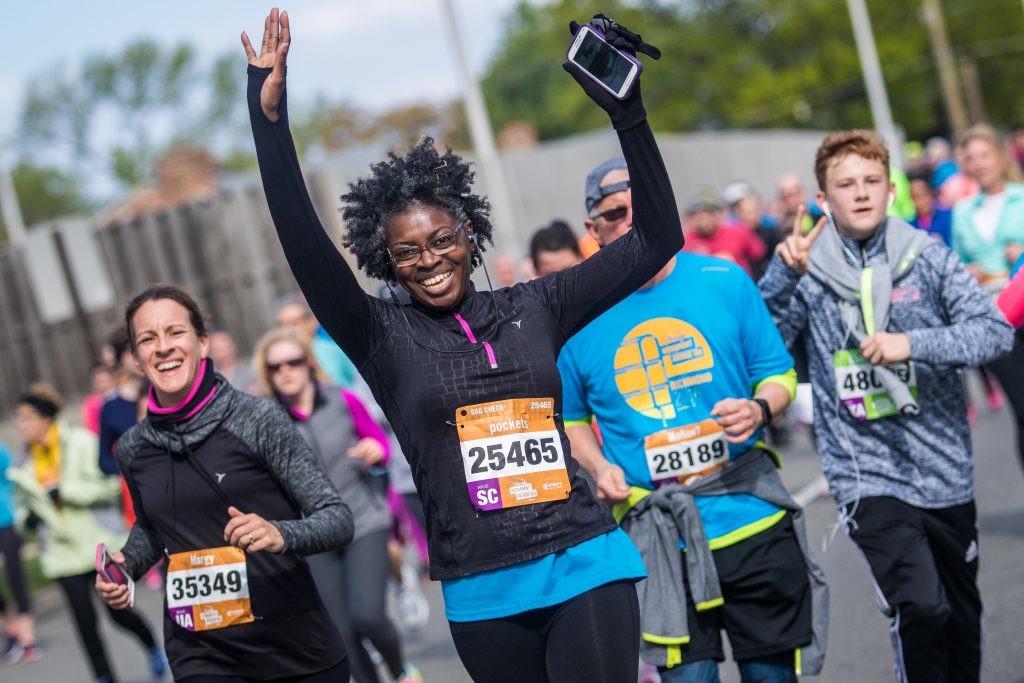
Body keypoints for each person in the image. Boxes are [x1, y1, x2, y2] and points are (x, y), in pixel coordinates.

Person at [244, 8, 675, 681]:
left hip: (583, 557)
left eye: (443, 239)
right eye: (407, 251)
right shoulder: (381, 335)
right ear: (387, 263)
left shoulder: (535, 304)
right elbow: (304, 245)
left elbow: (656, 239)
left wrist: (629, 116)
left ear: (470, 236)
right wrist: (269, 124)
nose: (429, 260)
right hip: (482, 587)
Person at [759, 129, 1014, 682]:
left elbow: (995, 332)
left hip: (945, 469)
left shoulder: (928, 257)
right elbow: (760, 349)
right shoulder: (806, 272)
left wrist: (912, 344)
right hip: (866, 474)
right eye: (846, 184)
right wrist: (781, 278)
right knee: (920, 604)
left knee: (959, 617)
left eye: (872, 180)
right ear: (823, 199)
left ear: (890, 188)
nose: (861, 192)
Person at [560, 158, 827, 682]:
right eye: (615, 213)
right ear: (593, 229)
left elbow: (778, 373)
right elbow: (570, 419)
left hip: (749, 516)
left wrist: (759, 408)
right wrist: (598, 466)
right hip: (658, 535)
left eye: (641, 208)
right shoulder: (577, 317)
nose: (631, 221)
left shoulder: (724, 280)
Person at [94, 284, 354, 682]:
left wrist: (279, 534)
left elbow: (336, 518)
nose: (163, 347)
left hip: (292, 644)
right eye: (148, 339)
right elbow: (152, 528)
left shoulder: (257, 419)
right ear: (136, 359)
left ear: (202, 342)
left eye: (175, 332)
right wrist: (127, 563)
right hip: (200, 653)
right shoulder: (133, 447)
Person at [253, 327, 420, 683]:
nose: (285, 371)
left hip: (363, 521)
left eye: (293, 362)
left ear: (309, 364)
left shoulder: (342, 400)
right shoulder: (268, 420)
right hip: (313, 536)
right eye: (275, 367)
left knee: (367, 616)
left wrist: (374, 451)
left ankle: (401, 671)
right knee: (341, 632)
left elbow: (380, 444)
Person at [8, 384, 163, 683]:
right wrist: (28, 519)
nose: (22, 425)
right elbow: (23, 506)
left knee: (119, 613)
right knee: (84, 622)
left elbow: (109, 486)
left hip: (97, 543)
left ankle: (151, 645)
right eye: (19, 419)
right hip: (61, 553)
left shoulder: (81, 443)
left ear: (45, 418)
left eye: (27, 418)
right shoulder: (22, 461)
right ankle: (103, 676)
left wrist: (66, 492)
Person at [952, 123, 1024, 473]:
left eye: (984, 155)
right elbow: (954, 265)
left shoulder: (1021, 196)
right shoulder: (963, 211)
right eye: (971, 158)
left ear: (1000, 155)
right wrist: (967, 270)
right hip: (996, 319)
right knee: (1023, 409)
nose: (979, 163)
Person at [0, 440, 39, 664]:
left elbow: (14, 477)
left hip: (7, 519)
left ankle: (27, 636)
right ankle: (12, 627)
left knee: (15, 575)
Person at [275, 293, 358, 388]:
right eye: (285, 324)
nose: (292, 329)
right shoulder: (276, 358)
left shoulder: (333, 350)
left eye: (296, 322)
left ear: (313, 320)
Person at [682, 194, 766, 277]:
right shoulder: (686, 241)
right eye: (700, 217)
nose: (705, 222)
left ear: (716, 215)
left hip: (737, 280)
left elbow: (758, 253)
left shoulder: (737, 231)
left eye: (709, 215)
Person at [208, 330, 257, 394]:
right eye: (217, 349)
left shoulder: (251, 370)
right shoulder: (209, 377)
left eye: (224, 348)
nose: (222, 354)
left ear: (233, 347)